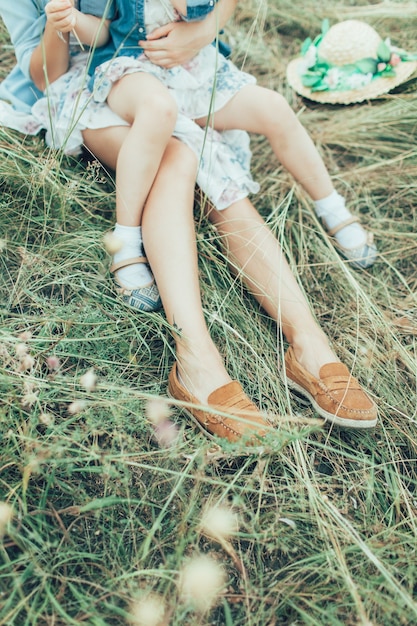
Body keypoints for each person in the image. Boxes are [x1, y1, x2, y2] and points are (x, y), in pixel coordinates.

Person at [0, 0, 378, 442]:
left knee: (216, 173)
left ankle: (308, 343)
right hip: (92, 84)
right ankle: (197, 357)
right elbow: (44, 73)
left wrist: (202, 31)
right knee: (178, 155)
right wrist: (58, 21)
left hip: (176, 70)